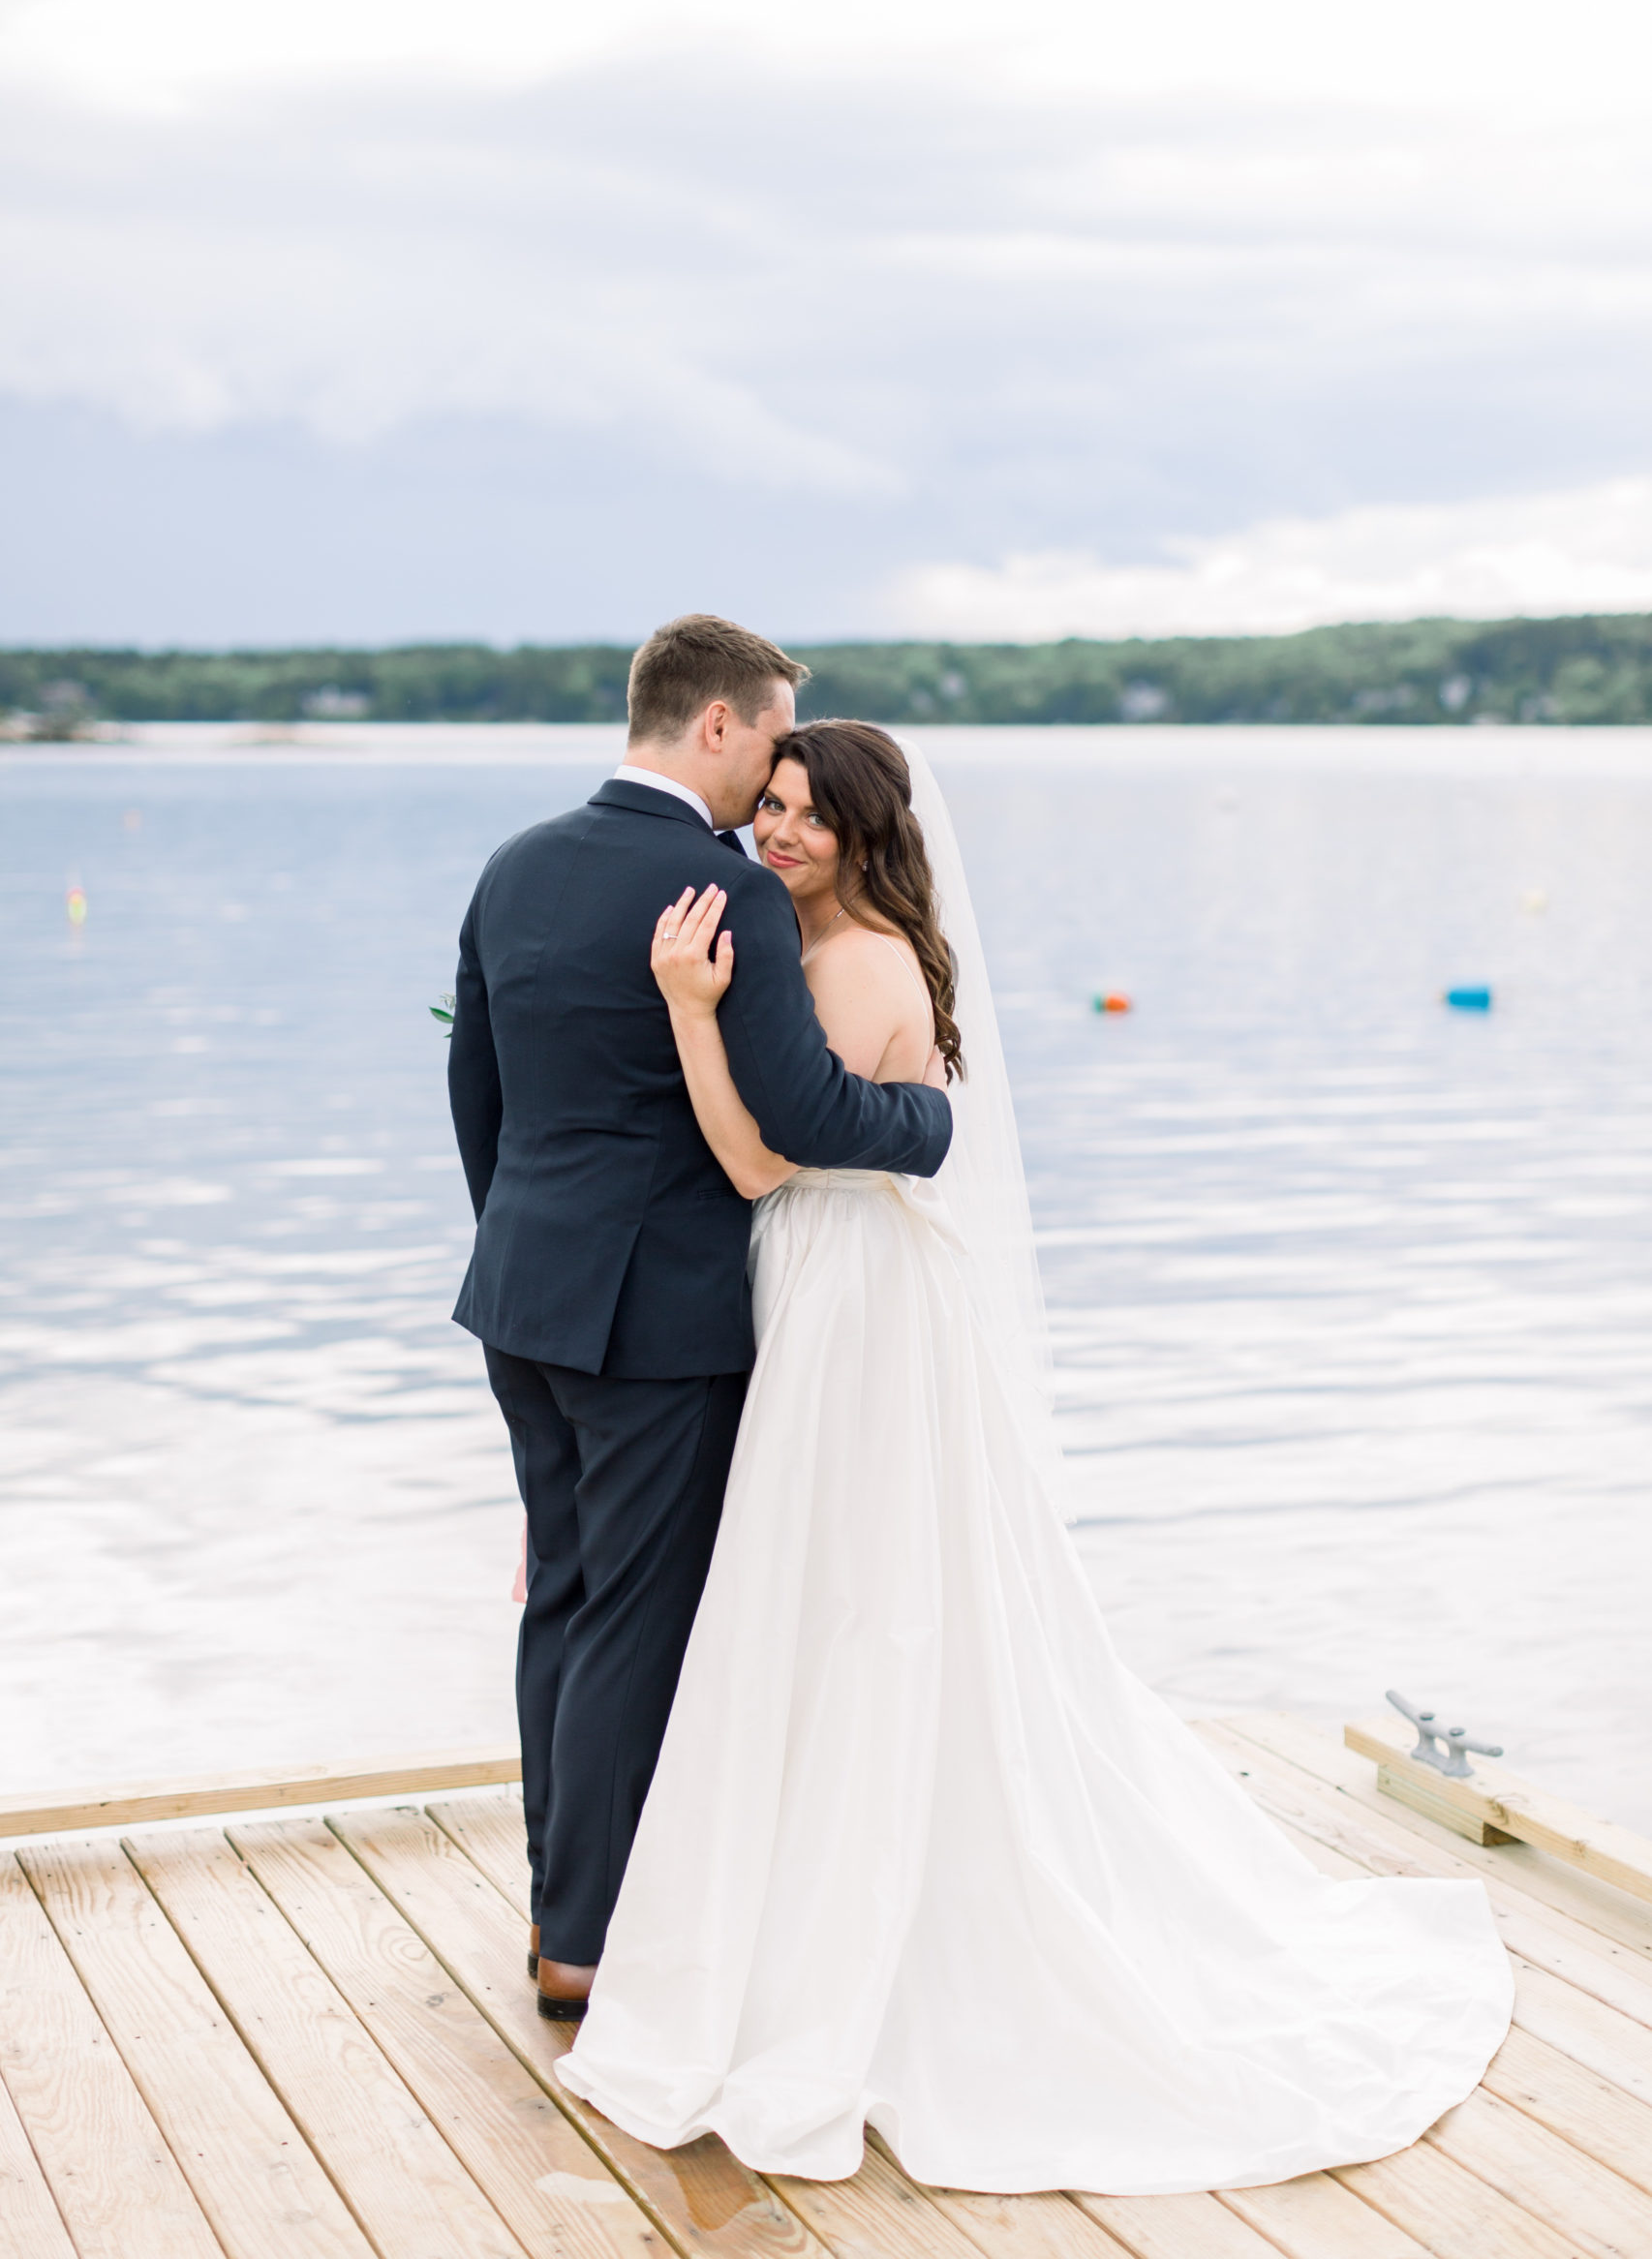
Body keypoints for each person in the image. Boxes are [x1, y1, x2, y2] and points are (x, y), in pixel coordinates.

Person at [555, 717, 1514, 2194]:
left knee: (858, 1601)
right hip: (831, 1287)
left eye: (810, 816)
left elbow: (758, 1162)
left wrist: (687, 1008)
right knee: (837, 1598)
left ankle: (849, 1935)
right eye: (776, 808)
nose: (780, 834)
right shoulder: (833, 948)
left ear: (870, 834)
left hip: (856, 1304)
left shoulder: (858, 961)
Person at [446, 623, 954, 2021]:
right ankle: (585, 1942)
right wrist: (930, 1122)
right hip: (656, 1320)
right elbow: (803, 1118)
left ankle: (560, 1896)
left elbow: (475, 1096)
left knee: (558, 1596)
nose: (767, 802)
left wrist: (523, 1244)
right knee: (634, 1620)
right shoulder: (717, 885)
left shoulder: (517, 865)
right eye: (771, 746)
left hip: (522, 1298)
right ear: (719, 724)